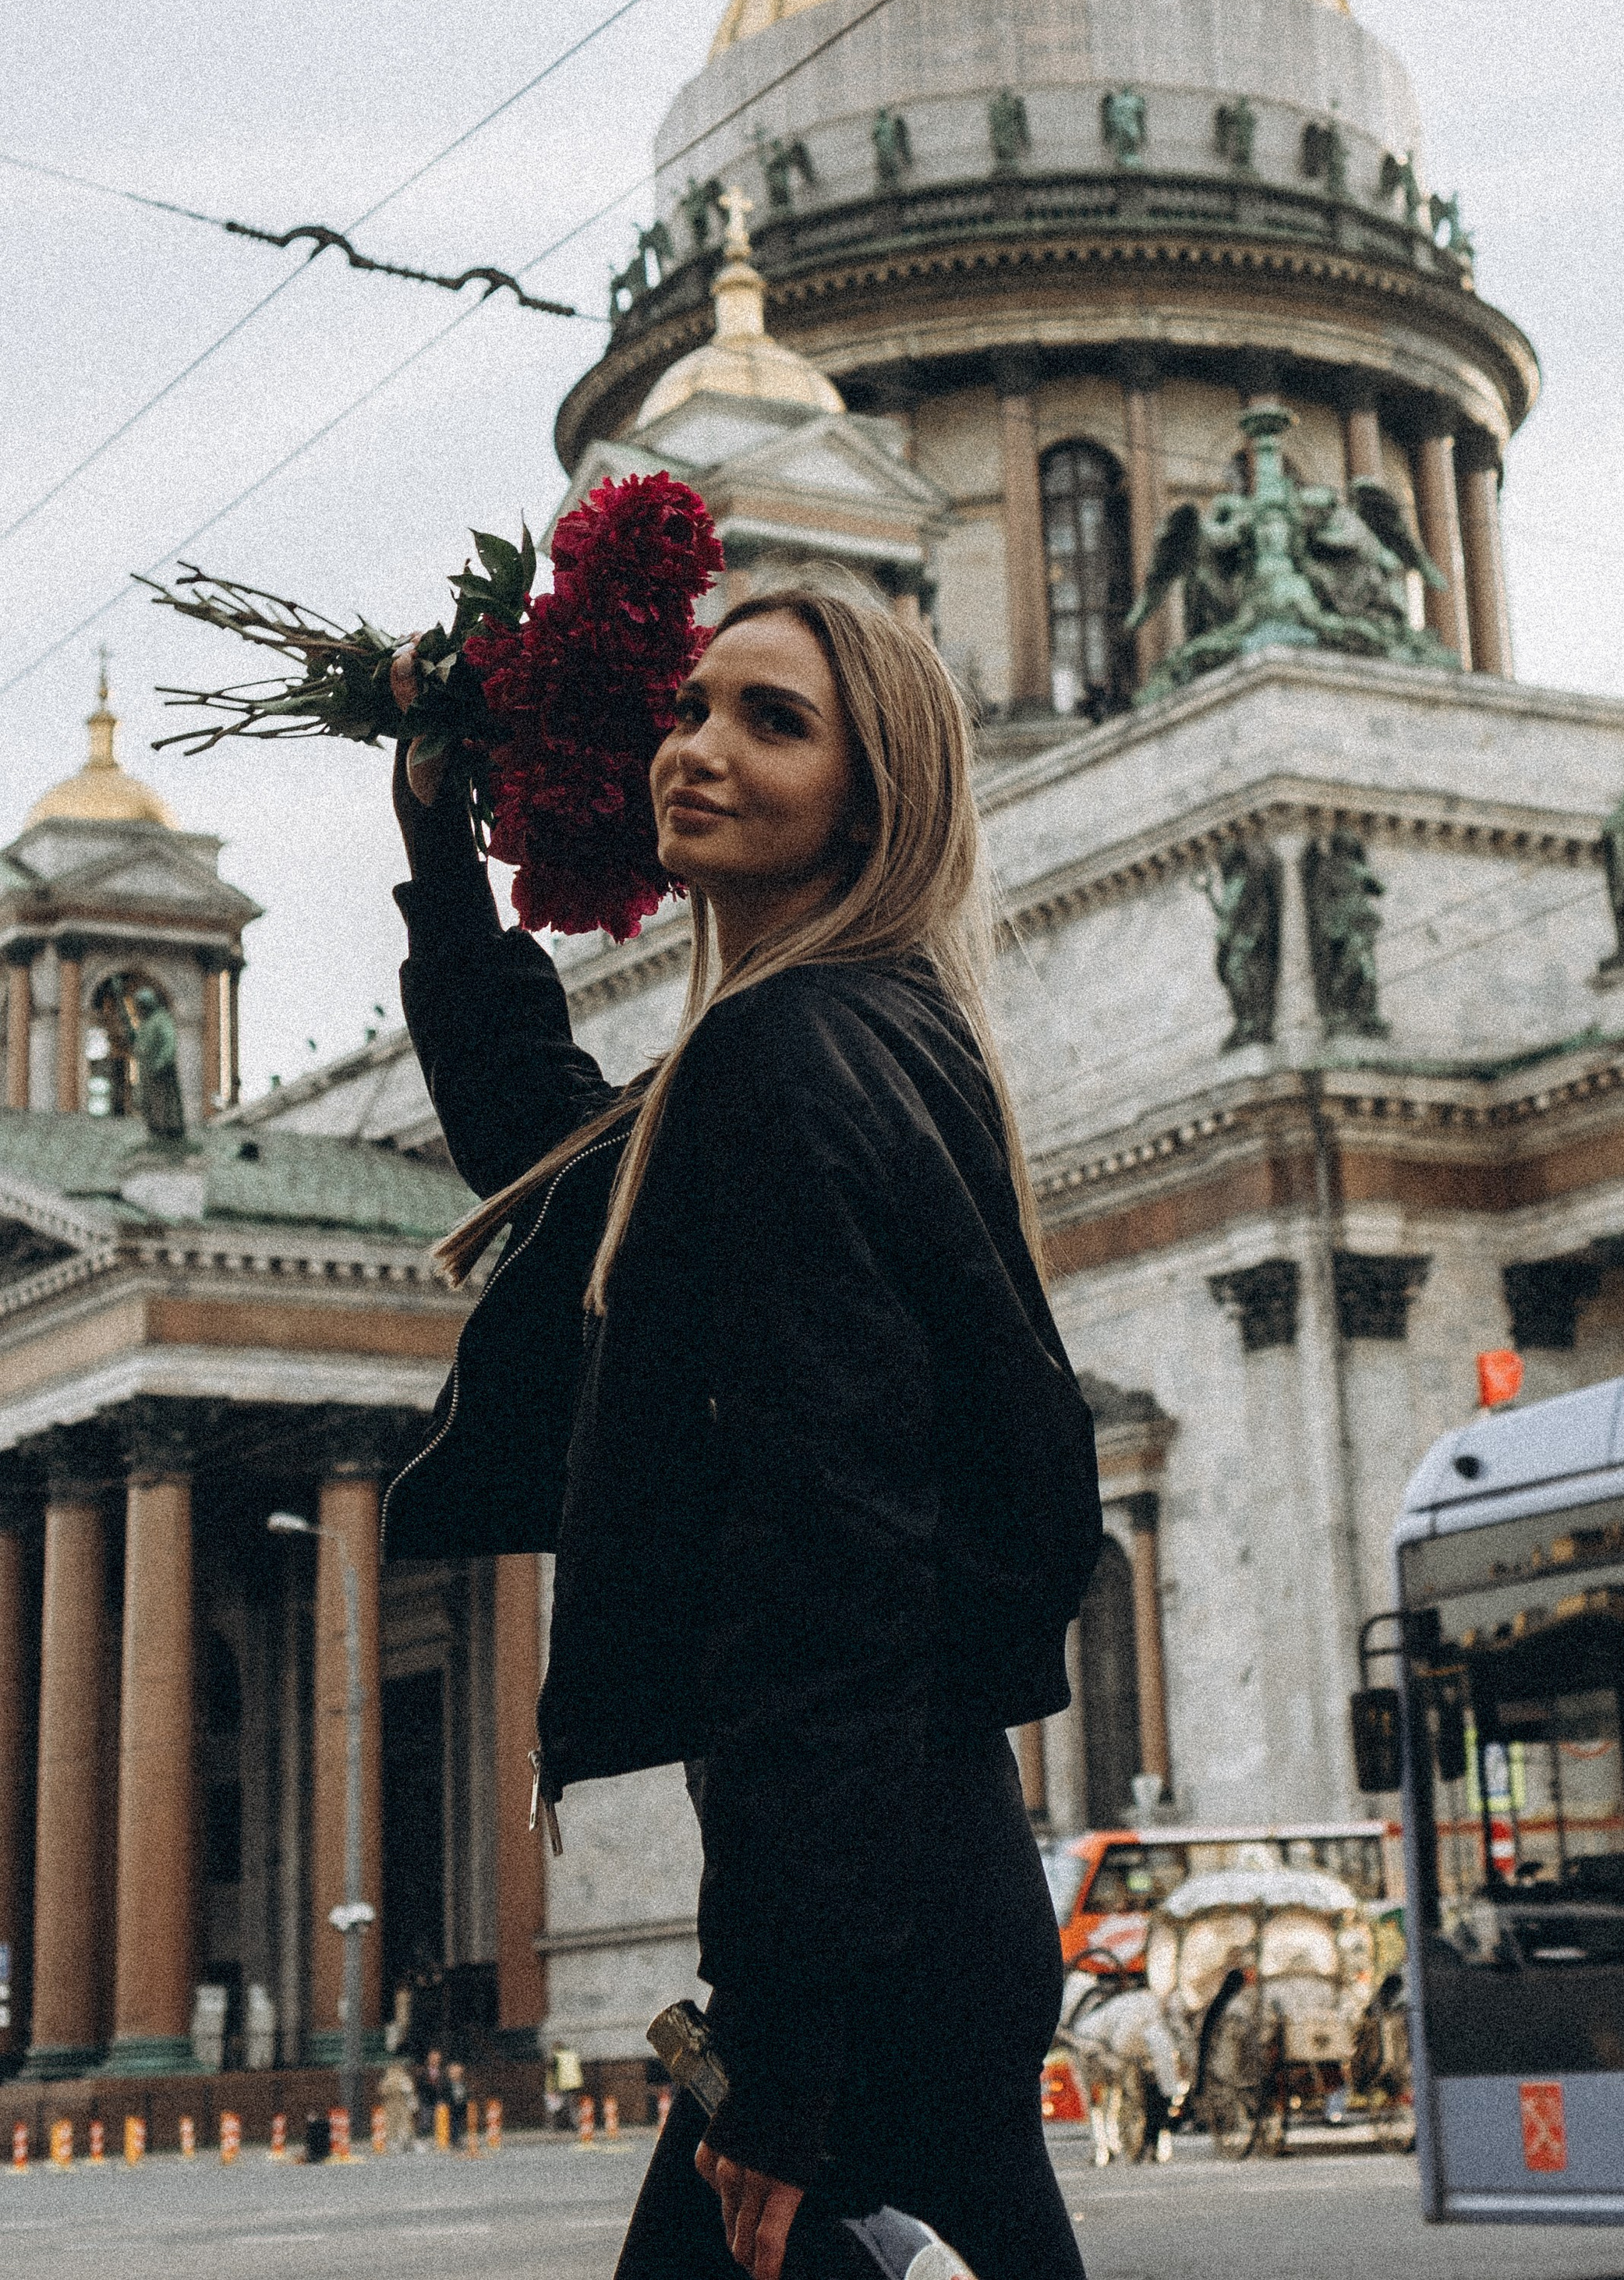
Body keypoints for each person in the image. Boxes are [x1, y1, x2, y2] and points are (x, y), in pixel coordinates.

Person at [381, 586, 1102, 2280]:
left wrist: (775, 2059)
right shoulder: (841, 1036)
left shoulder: (790, 1057)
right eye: (693, 704)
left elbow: (832, 1576)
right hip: (916, 1890)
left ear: (873, 795)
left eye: (771, 720)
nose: (696, 747)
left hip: (866, 1932)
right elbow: (552, 1157)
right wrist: (439, 853)